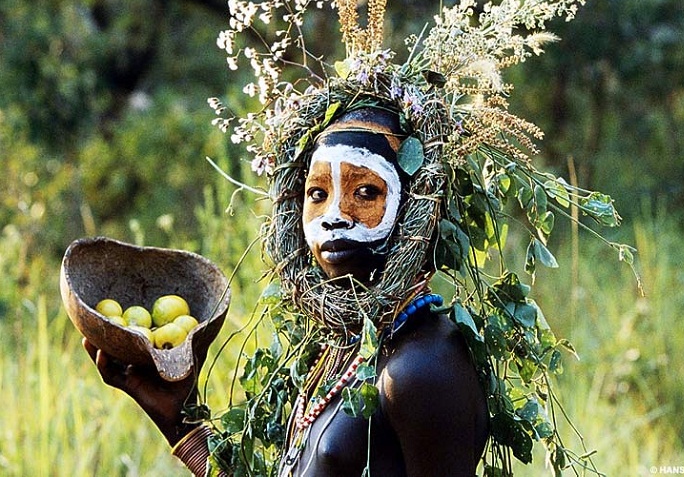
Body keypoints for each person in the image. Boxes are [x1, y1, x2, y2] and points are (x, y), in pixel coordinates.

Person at [84, 108, 490, 477]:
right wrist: (179, 420)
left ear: (417, 207)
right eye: (318, 193)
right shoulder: (341, 348)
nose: (334, 216)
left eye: (366, 191)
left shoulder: (422, 368)